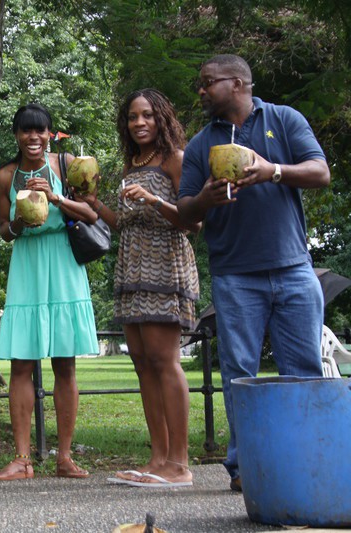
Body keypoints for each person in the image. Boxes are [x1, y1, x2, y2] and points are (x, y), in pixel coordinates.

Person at [177, 54, 331, 492]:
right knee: (239, 374)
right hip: (235, 276)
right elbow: (185, 210)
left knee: (303, 370)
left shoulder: (283, 119)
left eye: (208, 83)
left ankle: (304, 459)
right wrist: (205, 198)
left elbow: (320, 172)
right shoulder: (202, 143)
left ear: (238, 83)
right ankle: (246, 468)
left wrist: (273, 171)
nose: (201, 91)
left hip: (294, 270)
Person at [81, 89, 200, 488]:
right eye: (133, 117)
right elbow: (123, 223)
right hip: (132, 269)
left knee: (165, 362)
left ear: (162, 118)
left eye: (147, 115)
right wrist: (95, 204)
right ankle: (158, 458)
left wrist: (152, 198)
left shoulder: (176, 159)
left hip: (165, 268)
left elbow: (192, 222)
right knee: (142, 364)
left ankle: (180, 465)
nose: (139, 123)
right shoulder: (131, 164)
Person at [0, 103, 100, 481]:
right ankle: (22, 459)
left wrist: (55, 199)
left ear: (50, 134)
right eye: (25, 131)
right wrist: (19, 220)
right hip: (28, 264)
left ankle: (65, 458)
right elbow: (4, 232)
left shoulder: (67, 165)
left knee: (65, 363)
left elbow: (92, 214)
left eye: (40, 131)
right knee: (21, 362)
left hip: (64, 263)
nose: (33, 137)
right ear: (17, 135)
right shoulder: (5, 176)